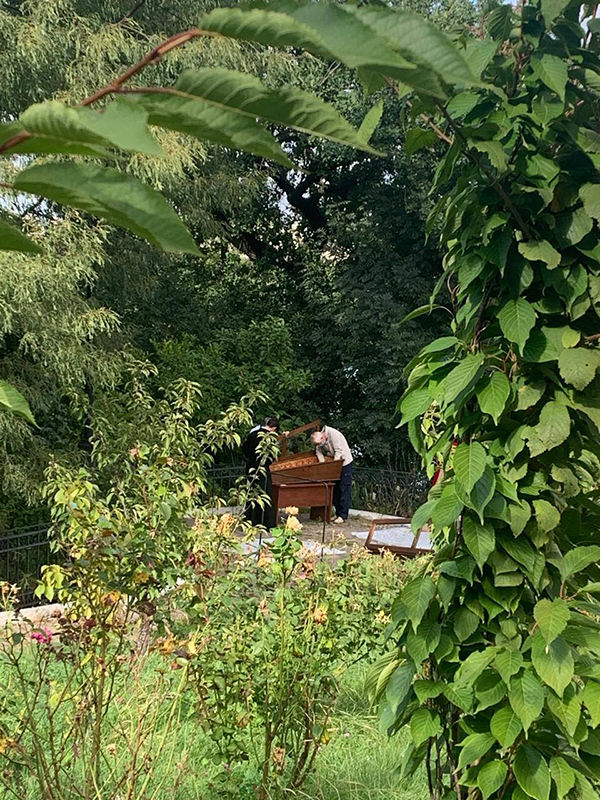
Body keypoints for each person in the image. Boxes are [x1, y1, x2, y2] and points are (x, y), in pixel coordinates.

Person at [242, 416, 280, 531]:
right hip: (262, 468)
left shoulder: (252, 434)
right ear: (273, 427)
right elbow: (272, 456)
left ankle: (250, 520)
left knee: (251, 493)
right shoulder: (270, 437)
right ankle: (266, 522)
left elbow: (244, 450)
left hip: (251, 467)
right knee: (265, 494)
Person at [310, 425, 353, 524]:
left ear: (323, 437)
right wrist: (323, 465)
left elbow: (338, 452)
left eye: (320, 443)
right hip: (334, 463)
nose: (320, 445)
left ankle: (343, 515)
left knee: (344, 488)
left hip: (344, 462)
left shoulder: (333, 434)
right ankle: (338, 513)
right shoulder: (320, 438)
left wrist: (334, 467)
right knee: (335, 489)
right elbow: (319, 452)